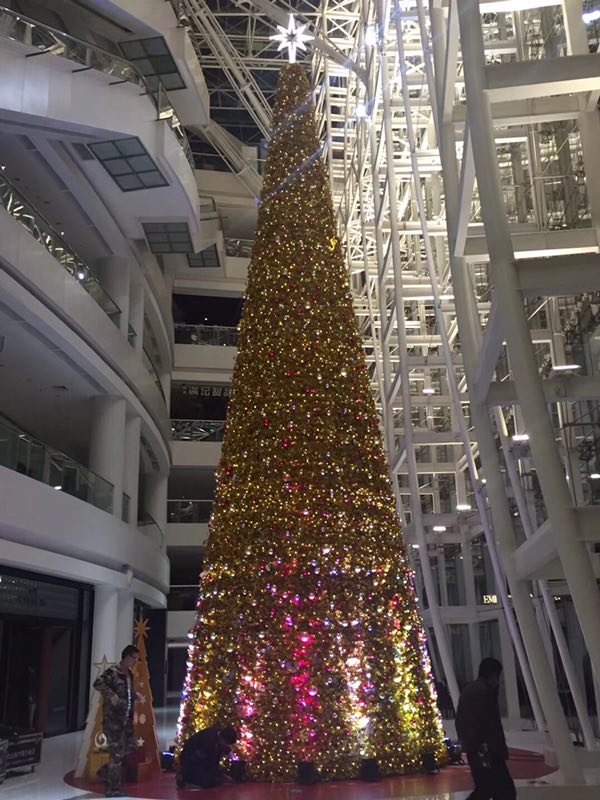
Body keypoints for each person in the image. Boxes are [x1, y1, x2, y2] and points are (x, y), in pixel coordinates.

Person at [455, 658, 516, 800]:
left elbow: (461, 721)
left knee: (486, 789)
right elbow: (490, 725)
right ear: (494, 675)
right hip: (487, 751)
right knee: (501, 791)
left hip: (476, 750)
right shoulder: (485, 692)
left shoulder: (469, 690)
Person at [93, 645, 142, 798]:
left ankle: (105, 772)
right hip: (113, 721)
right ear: (126, 657)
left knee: (131, 747)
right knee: (117, 753)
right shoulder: (113, 672)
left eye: (137, 658)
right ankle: (112, 788)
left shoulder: (129, 674)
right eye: (133, 658)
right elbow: (98, 683)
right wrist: (111, 695)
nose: (135, 661)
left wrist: (135, 695)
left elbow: (127, 691)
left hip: (126, 720)